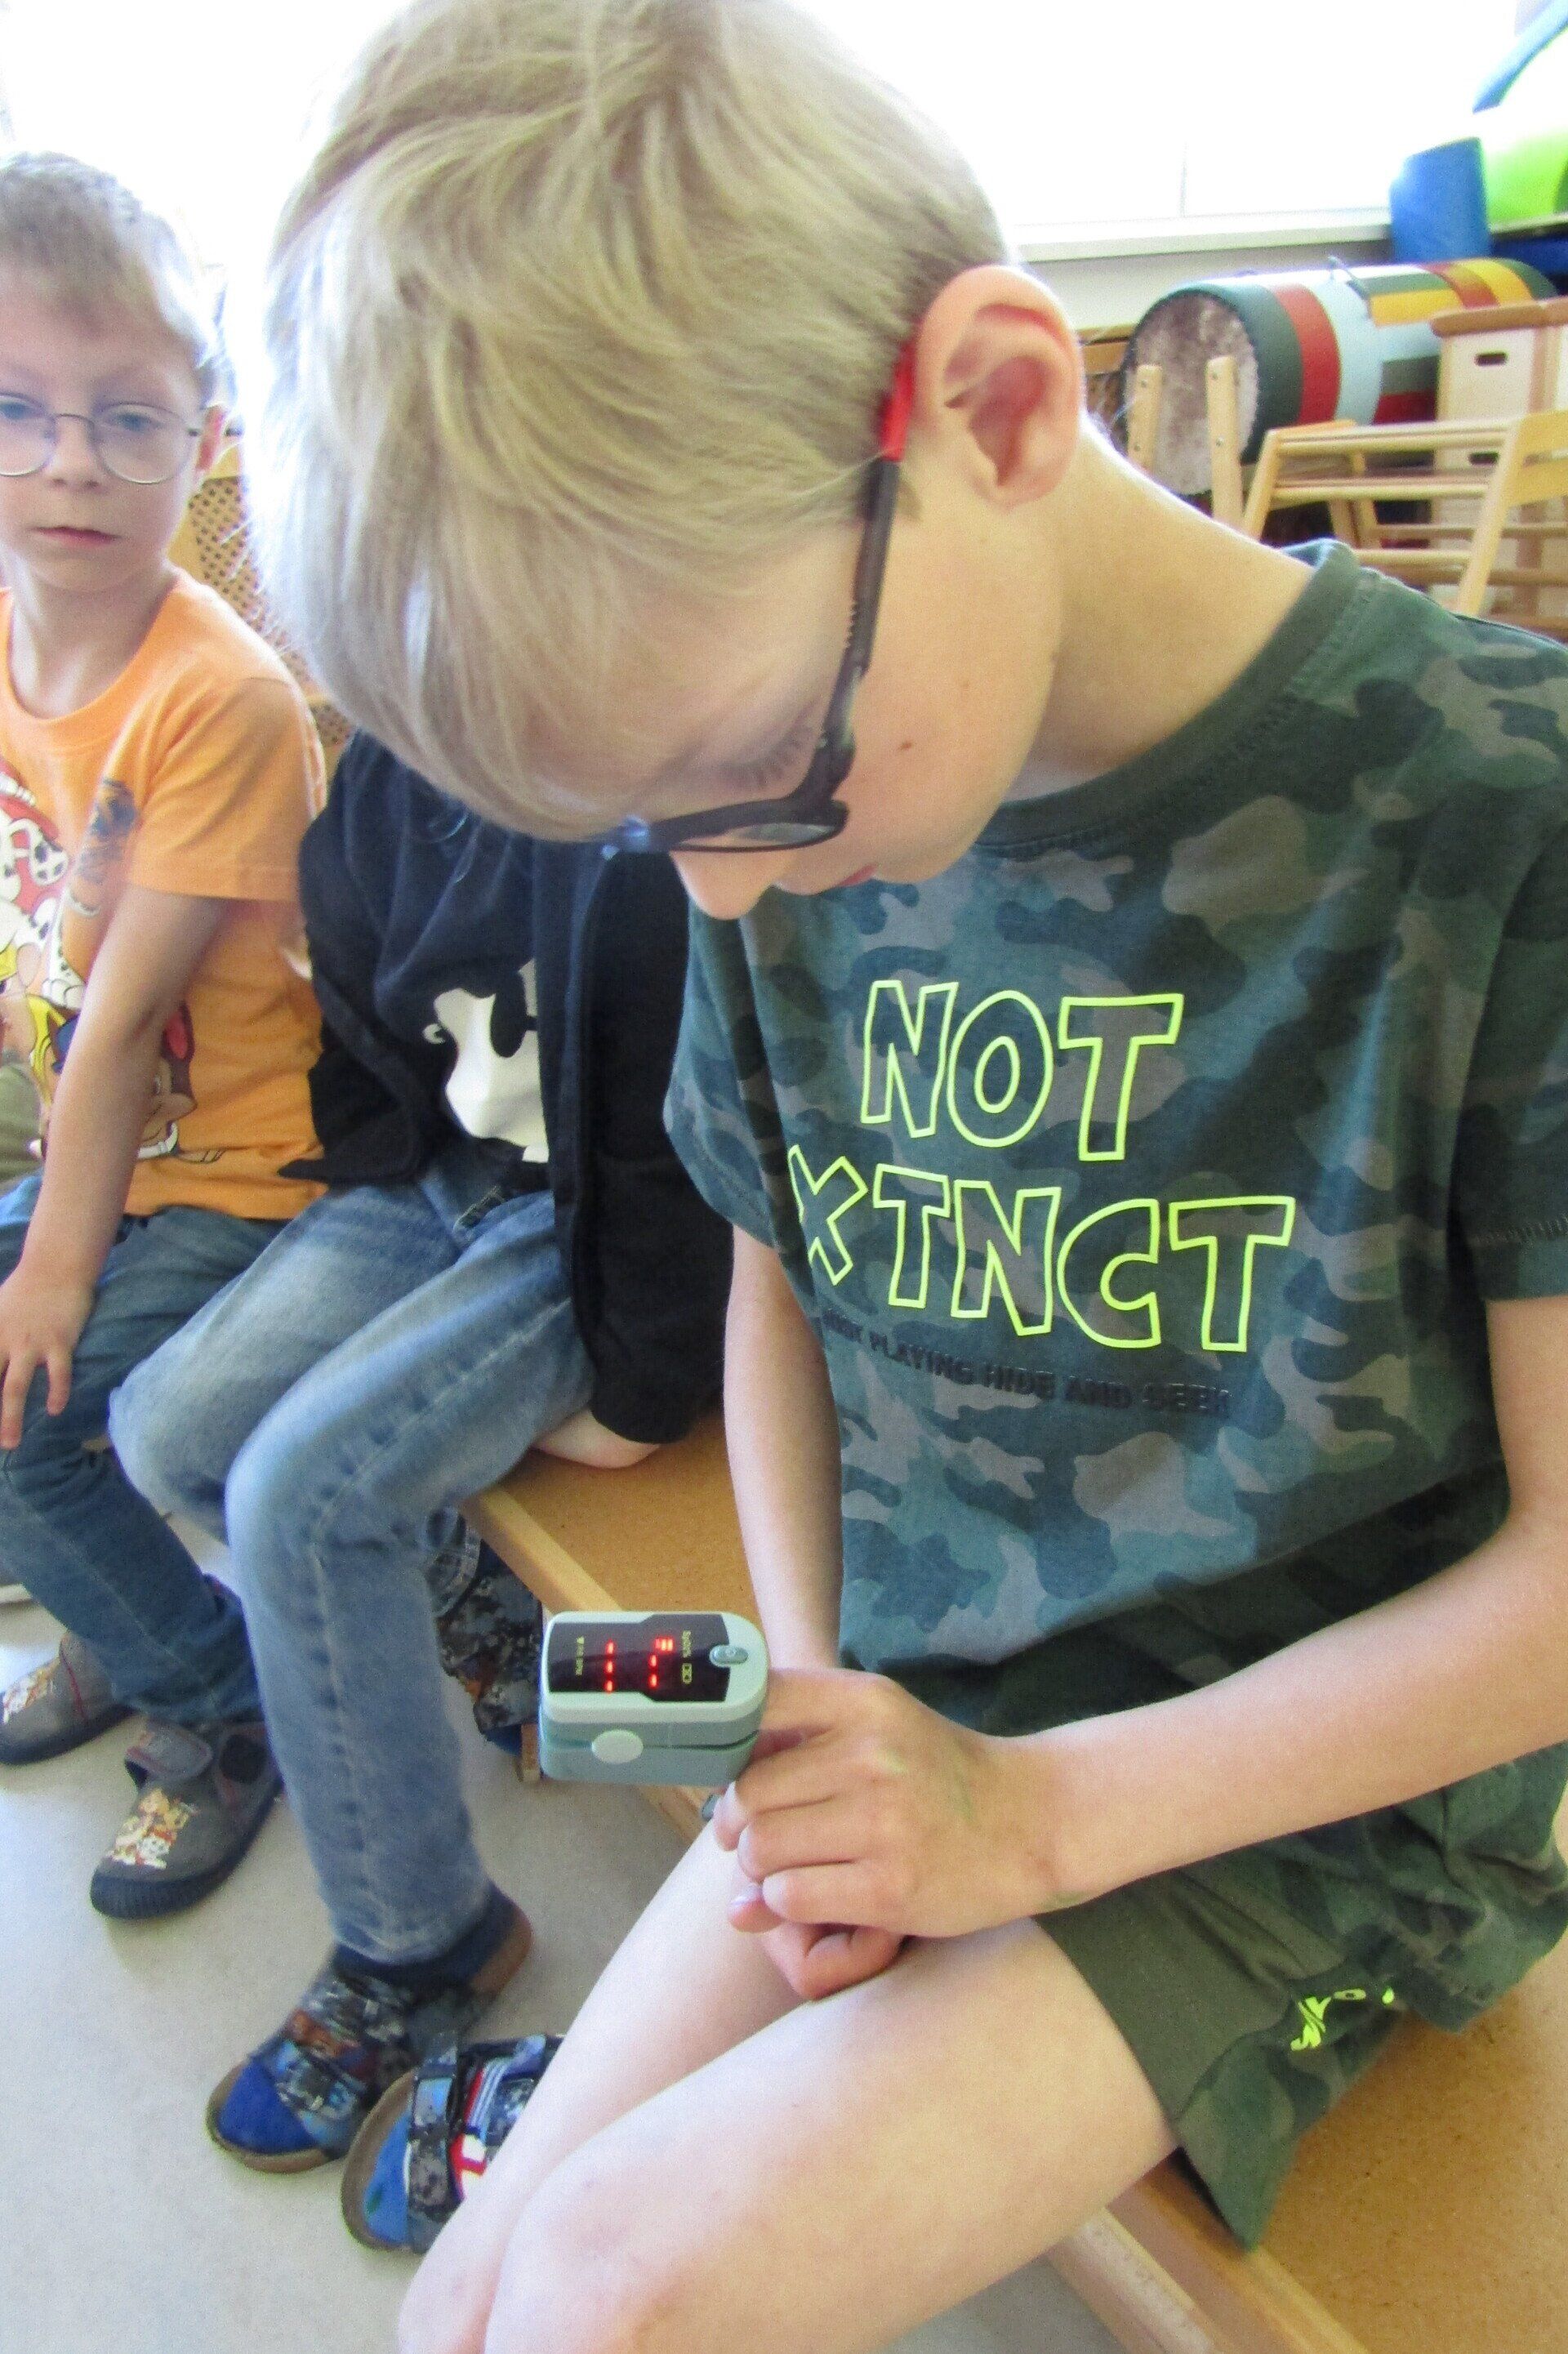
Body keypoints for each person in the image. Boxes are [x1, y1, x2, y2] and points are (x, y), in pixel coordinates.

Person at [246, 2, 1568, 2347]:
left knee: (613, 2295)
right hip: (934, 1700)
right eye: (651, 829)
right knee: (481, 2294)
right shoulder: (806, 811)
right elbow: (782, 1285)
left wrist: (1028, 1823)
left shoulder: (1493, 817)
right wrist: (819, 1695)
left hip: (1306, 1797)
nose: (722, 894)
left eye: (746, 773)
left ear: (999, 408)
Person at [110, 729, 728, 2172]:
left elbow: (674, 1155)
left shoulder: (622, 820)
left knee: (301, 1501)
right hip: (438, 1182)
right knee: (163, 1429)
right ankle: (471, 1605)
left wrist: (641, 1400)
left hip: (579, 1228)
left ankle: (422, 1941)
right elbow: (369, 1034)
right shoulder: (383, 785)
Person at [0, 154, 324, 1919]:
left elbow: (124, 1026)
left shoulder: (222, 698)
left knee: (20, 1421)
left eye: (125, 419)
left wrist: (50, 1272)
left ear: (201, 441)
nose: (69, 462)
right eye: (19, 410)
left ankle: (219, 1703)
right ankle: (120, 1623)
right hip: (101, 1150)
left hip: (242, 1173)